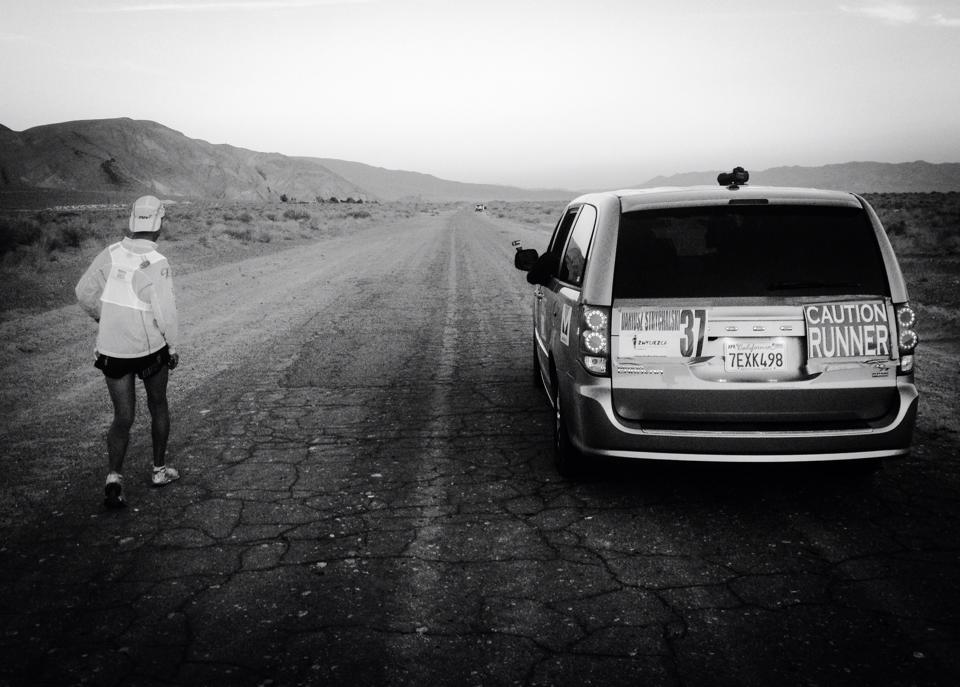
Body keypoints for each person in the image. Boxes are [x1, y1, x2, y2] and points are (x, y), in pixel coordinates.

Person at [76, 195, 181, 509]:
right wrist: (172, 346)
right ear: (159, 223)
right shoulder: (158, 263)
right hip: (149, 350)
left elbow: (83, 292)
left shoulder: (109, 254)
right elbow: (166, 313)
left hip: (112, 350)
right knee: (158, 405)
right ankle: (159, 472)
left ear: (133, 221)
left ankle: (114, 479)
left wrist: (101, 316)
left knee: (122, 417)